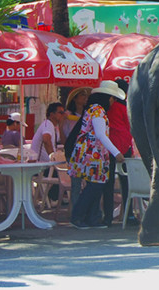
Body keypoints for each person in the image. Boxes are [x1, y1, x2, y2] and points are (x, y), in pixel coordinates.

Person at [68, 80, 127, 229]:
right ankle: (78, 216)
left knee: (95, 185)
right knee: (95, 186)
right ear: (107, 97)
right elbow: (101, 134)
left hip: (93, 153)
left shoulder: (94, 109)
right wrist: (116, 152)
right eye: (112, 98)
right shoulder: (98, 111)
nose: (113, 101)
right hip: (91, 154)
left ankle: (91, 218)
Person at [103, 79, 135, 226]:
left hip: (109, 146)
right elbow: (130, 127)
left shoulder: (106, 107)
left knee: (107, 184)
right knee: (126, 183)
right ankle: (128, 215)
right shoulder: (125, 107)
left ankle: (108, 216)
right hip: (124, 145)